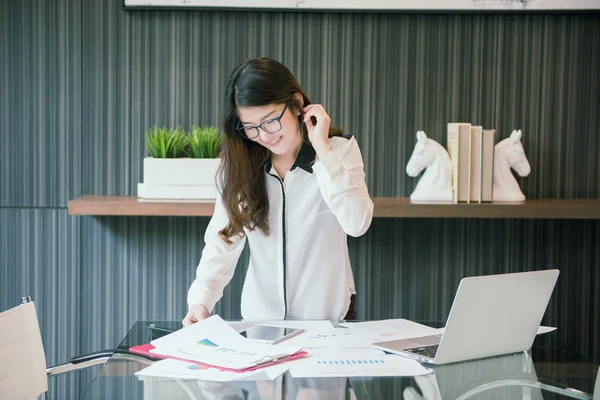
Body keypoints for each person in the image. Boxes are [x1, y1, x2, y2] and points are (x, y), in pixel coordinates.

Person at [182, 57, 373, 326]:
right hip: (262, 323)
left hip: (329, 319)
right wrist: (200, 301)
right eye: (250, 127)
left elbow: (357, 223)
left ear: (296, 104)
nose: (265, 135)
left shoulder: (339, 152)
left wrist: (323, 151)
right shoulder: (239, 167)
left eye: (270, 120)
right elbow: (222, 242)